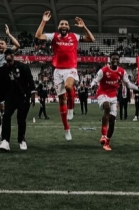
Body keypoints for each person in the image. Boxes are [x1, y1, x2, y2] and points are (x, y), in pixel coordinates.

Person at [35, 11, 95, 141]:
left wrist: (84, 26)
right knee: (61, 100)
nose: (63, 25)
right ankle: (66, 128)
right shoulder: (54, 36)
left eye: (66, 24)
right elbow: (38, 35)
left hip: (71, 69)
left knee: (69, 86)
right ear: (58, 27)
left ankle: (71, 109)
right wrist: (44, 21)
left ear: (68, 27)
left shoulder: (74, 36)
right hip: (57, 71)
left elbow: (92, 39)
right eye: (61, 24)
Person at [90, 53, 138, 151]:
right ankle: (103, 135)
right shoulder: (103, 70)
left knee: (112, 121)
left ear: (119, 60)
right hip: (102, 94)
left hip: (113, 97)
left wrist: (138, 88)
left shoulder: (122, 72)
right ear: (110, 60)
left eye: (117, 59)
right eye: (113, 59)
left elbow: (128, 84)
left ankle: (107, 142)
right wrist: (92, 85)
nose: (115, 60)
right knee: (106, 108)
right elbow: (95, 81)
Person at [0, 49, 36, 152]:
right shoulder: (2, 70)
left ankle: (21, 139)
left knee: (21, 119)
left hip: (23, 97)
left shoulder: (23, 67)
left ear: (14, 55)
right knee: (6, 116)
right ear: (5, 56)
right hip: (10, 97)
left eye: (10, 54)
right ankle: (5, 141)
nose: (8, 55)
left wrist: (33, 94)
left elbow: (30, 81)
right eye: (6, 54)